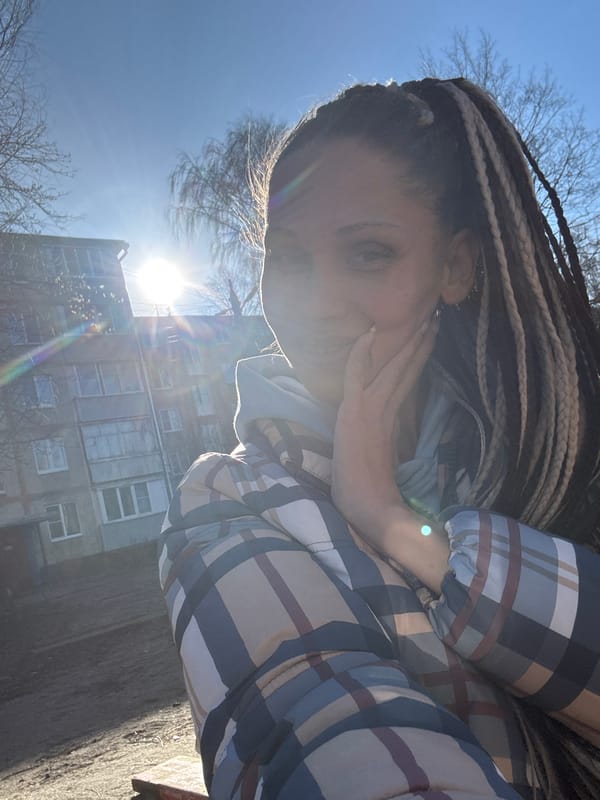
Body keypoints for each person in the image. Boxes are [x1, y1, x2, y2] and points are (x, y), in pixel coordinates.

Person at [159, 79, 600, 799]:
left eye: (367, 253)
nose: (316, 306)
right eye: (290, 260)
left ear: (454, 267)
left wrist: (395, 523)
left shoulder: (562, 441)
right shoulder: (229, 501)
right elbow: (314, 723)